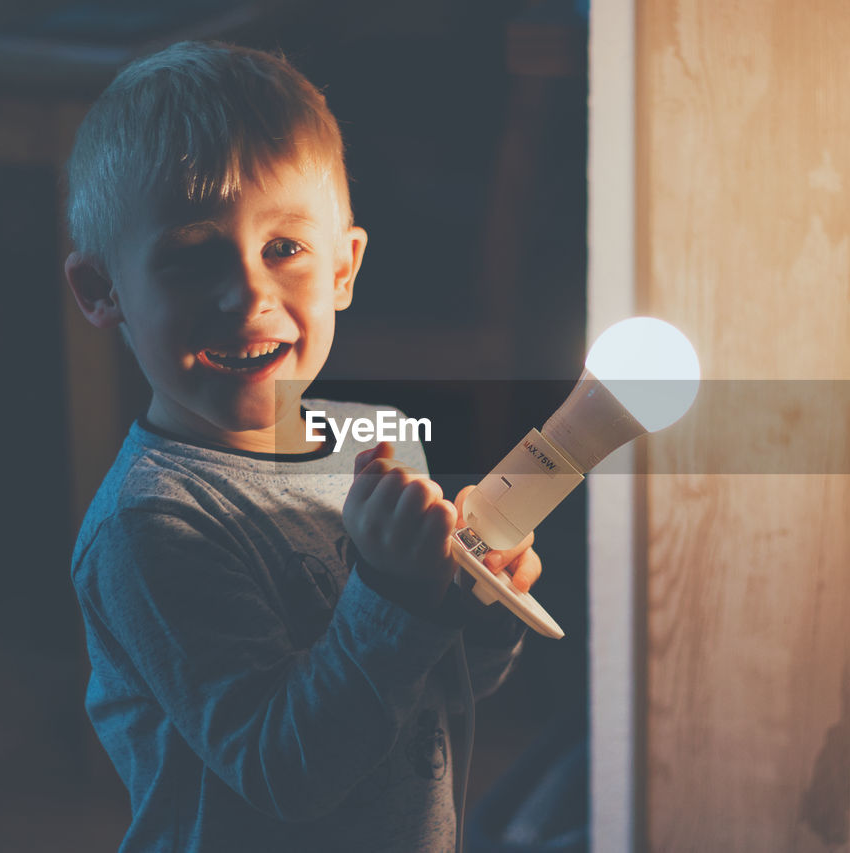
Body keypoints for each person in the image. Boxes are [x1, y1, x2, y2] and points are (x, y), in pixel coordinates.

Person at [62, 41, 542, 852]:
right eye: (189, 257)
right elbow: (288, 772)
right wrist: (394, 588)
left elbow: (440, 690)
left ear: (344, 268)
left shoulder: (377, 441)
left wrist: (478, 600)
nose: (249, 291)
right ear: (103, 291)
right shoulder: (152, 526)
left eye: (284, 248)